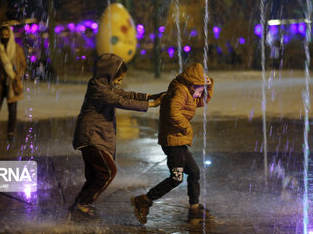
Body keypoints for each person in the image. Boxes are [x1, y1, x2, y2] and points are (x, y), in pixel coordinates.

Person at [69, 53, 165, 219]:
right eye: (118, 78)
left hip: (95, 137)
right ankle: (83, 204)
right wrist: (151, 105)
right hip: (91, 138)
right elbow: (120, 101)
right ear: (109, 73)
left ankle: (77, 207)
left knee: (94, 177)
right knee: (107, 172)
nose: (119, 82)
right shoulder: (97, 87)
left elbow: (125, 95)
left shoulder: (105, 86)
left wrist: (151, 96)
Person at [131, 63, 214, 224]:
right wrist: (186, 127)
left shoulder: (187, 91)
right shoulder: (179, 91)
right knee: (176, 178)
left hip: (178, 140)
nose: (200, 95)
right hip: (173, 141)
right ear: (191, 86)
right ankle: (144, 200)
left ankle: (194, 209)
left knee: (194, 172)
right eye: (199, 90)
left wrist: (207, 87)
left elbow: (199, 101)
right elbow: (173, 113)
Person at [0, 24, 26, 142]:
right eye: (2, 35)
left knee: (12, 110)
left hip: (12, 83)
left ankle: (11, 134)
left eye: (7, 35)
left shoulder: (17, 48)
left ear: (10, 35)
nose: (4, 37)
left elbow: (23, 64)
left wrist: (17, 75)